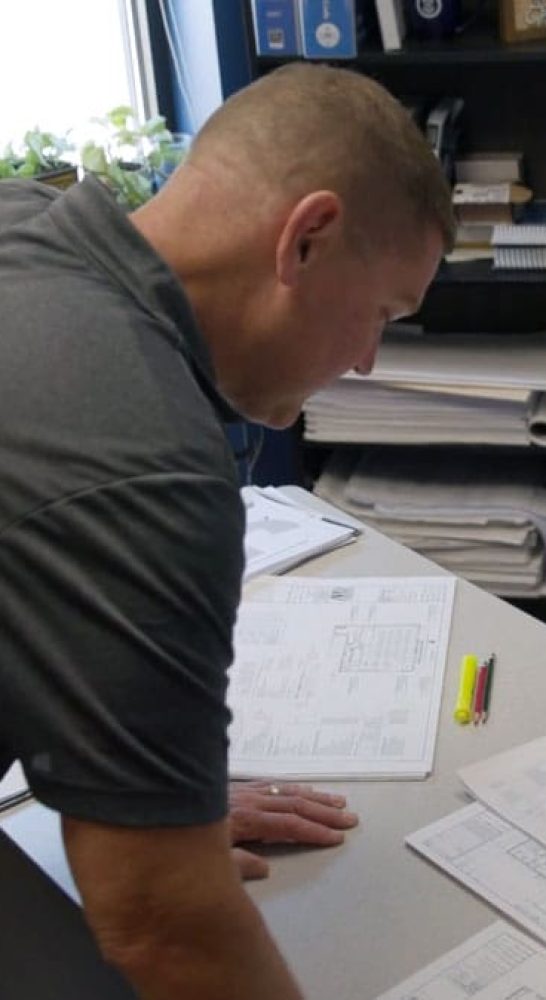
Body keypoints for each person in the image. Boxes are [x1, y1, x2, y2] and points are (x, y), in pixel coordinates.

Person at [0, 63, 453, 1000]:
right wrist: (165, 856)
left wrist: (155, 792)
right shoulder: (142, 458)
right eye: (381, 315)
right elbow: (162, 921)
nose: (367, 362)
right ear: (308, 239)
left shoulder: (23, 224)